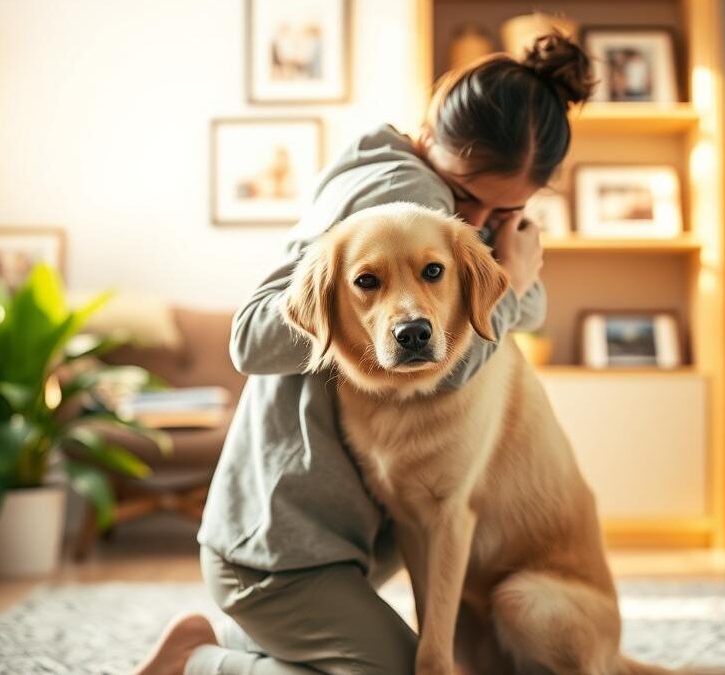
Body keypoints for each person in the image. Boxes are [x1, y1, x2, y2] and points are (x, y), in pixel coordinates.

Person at [132, 32, 594, 675]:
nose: (480, 223)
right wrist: (506, 286)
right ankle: (203, 666)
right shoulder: (405, 201)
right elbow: (255, 339)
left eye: (505, 210)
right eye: (468, 196)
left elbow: (516, 300)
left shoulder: (439, 201)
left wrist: (509, 276)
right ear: (433, 140)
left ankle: (245, 647)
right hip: (279, 544)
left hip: (331, 537)